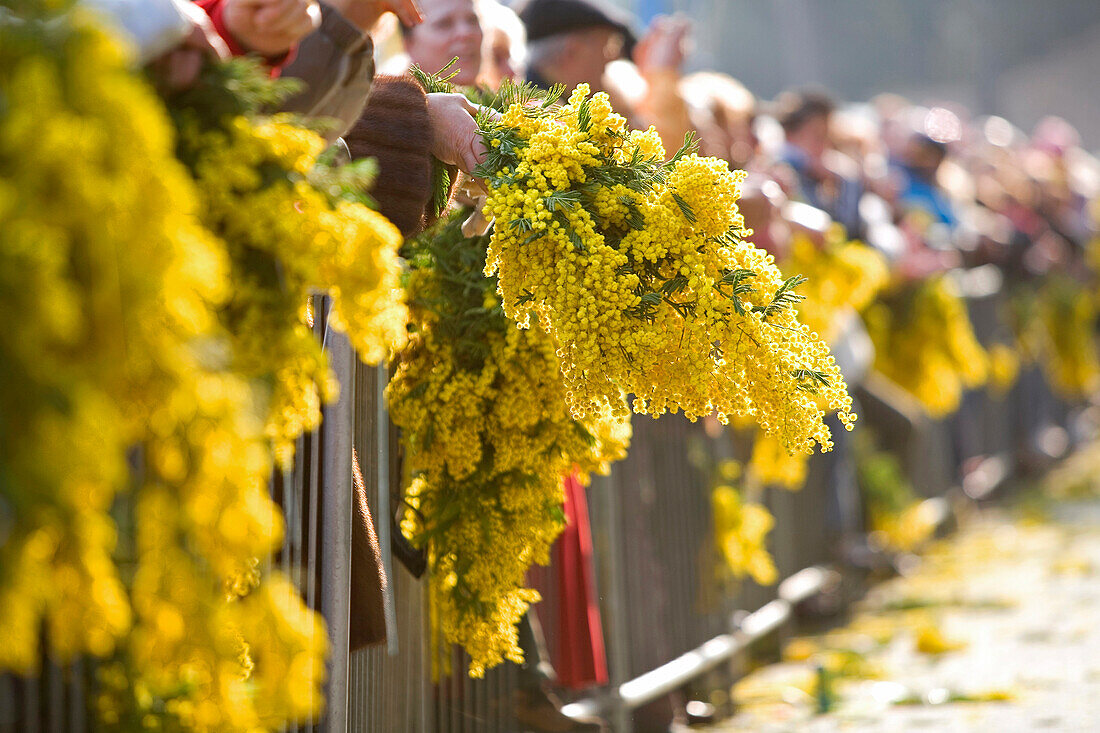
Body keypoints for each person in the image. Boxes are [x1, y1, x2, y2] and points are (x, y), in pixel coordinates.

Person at [400, 0, 484, 85]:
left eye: (472, 20)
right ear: (410, 44)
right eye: (444, 24)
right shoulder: (393, 97)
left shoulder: (494, 94)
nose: (466, 32)